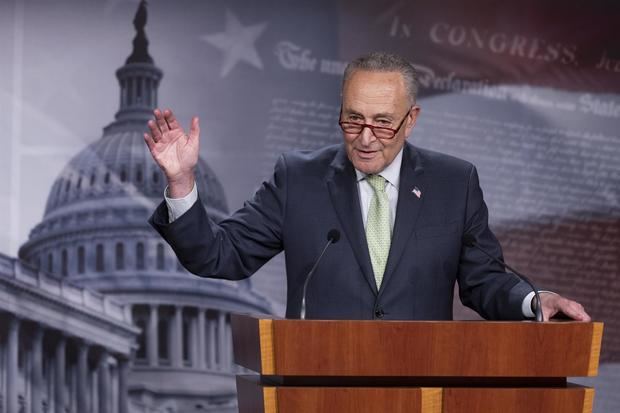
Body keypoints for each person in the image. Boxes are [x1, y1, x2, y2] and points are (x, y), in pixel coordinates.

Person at [145, 51, 590, 322]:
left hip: (420, 386)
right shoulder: (297, 179)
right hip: (319, 388)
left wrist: (534, 301)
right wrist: (182, 183)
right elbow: (219, 255)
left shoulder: (454, 183)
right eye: (353, 118)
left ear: (411, 121)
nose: (364, 136)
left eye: (382, 123)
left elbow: (484, 280)